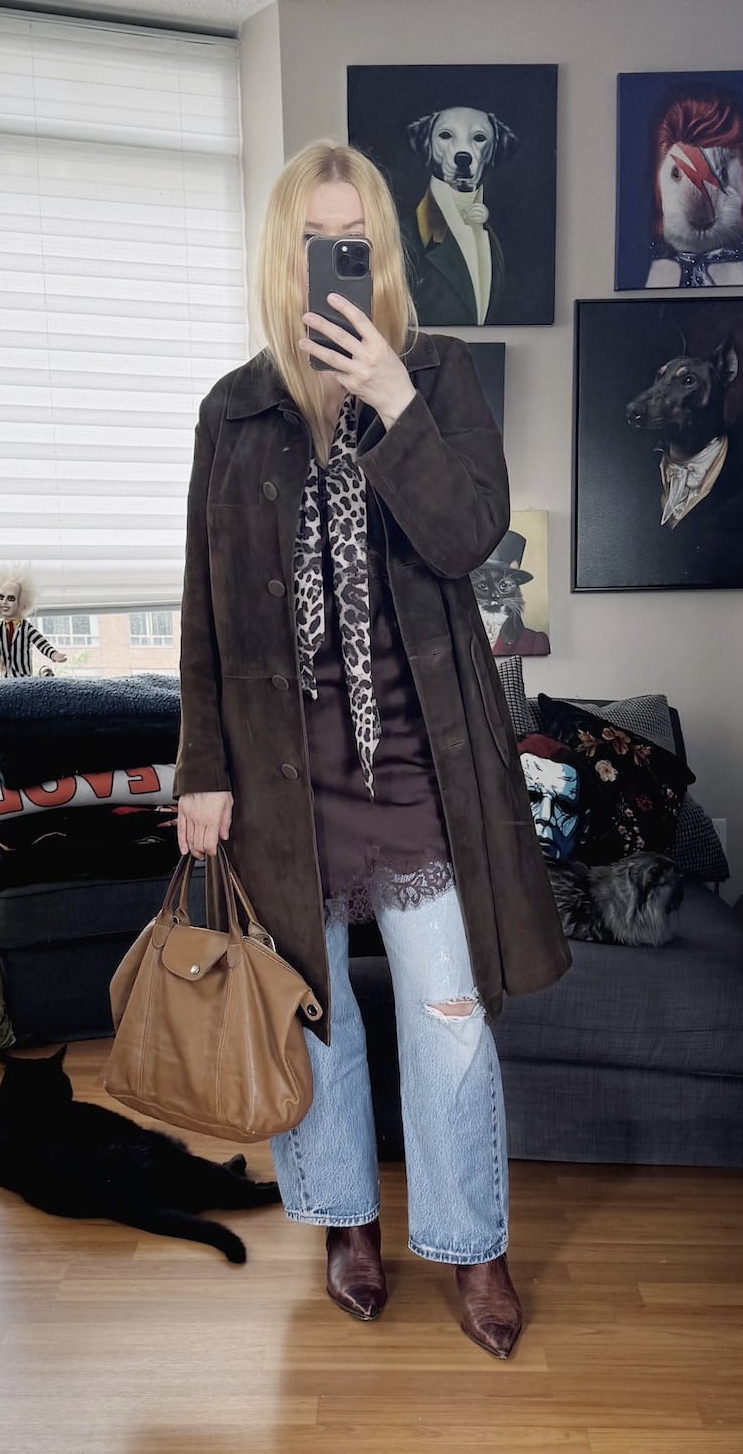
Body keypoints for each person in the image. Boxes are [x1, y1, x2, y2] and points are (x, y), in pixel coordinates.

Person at [173, 141, 569, 1360]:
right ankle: (346, 1222)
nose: (332, 261)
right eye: (313, 242)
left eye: (353, 242)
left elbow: (468, 538)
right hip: (280, 776)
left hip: (413, 762)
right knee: (317, 1014)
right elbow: (202, 606)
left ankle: (471, 1240)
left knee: (448, 1014)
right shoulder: (233, 411)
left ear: (381, 256)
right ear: (281, 255)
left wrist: (394, 399)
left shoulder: (437, 376)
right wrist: (201, 770)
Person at [0, 565, 68, 677]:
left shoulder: (26, 628)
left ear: (23, 603)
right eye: (1, 597)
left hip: (24, 679)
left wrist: (54, 655)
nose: (4, 602)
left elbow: (41, 643)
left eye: (11, 598)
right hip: (5, 678)